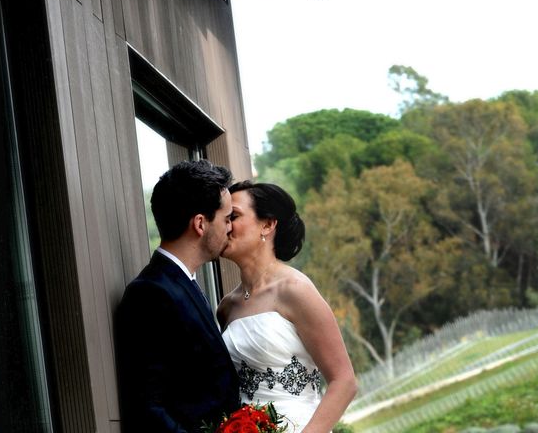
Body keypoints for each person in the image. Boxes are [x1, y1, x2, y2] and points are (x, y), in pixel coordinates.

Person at [218, 181, 357, 433]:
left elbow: (344, 381)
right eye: (224, 218)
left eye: (234, 216)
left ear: (268, 224)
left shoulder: (295, 289)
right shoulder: (227, 307)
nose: (225, 226)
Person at [115, 160, 240, 433]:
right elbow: (149, 409)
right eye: (227, 218)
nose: (231, 228)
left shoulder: (184, 282)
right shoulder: (150, 293)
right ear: (200, 224)